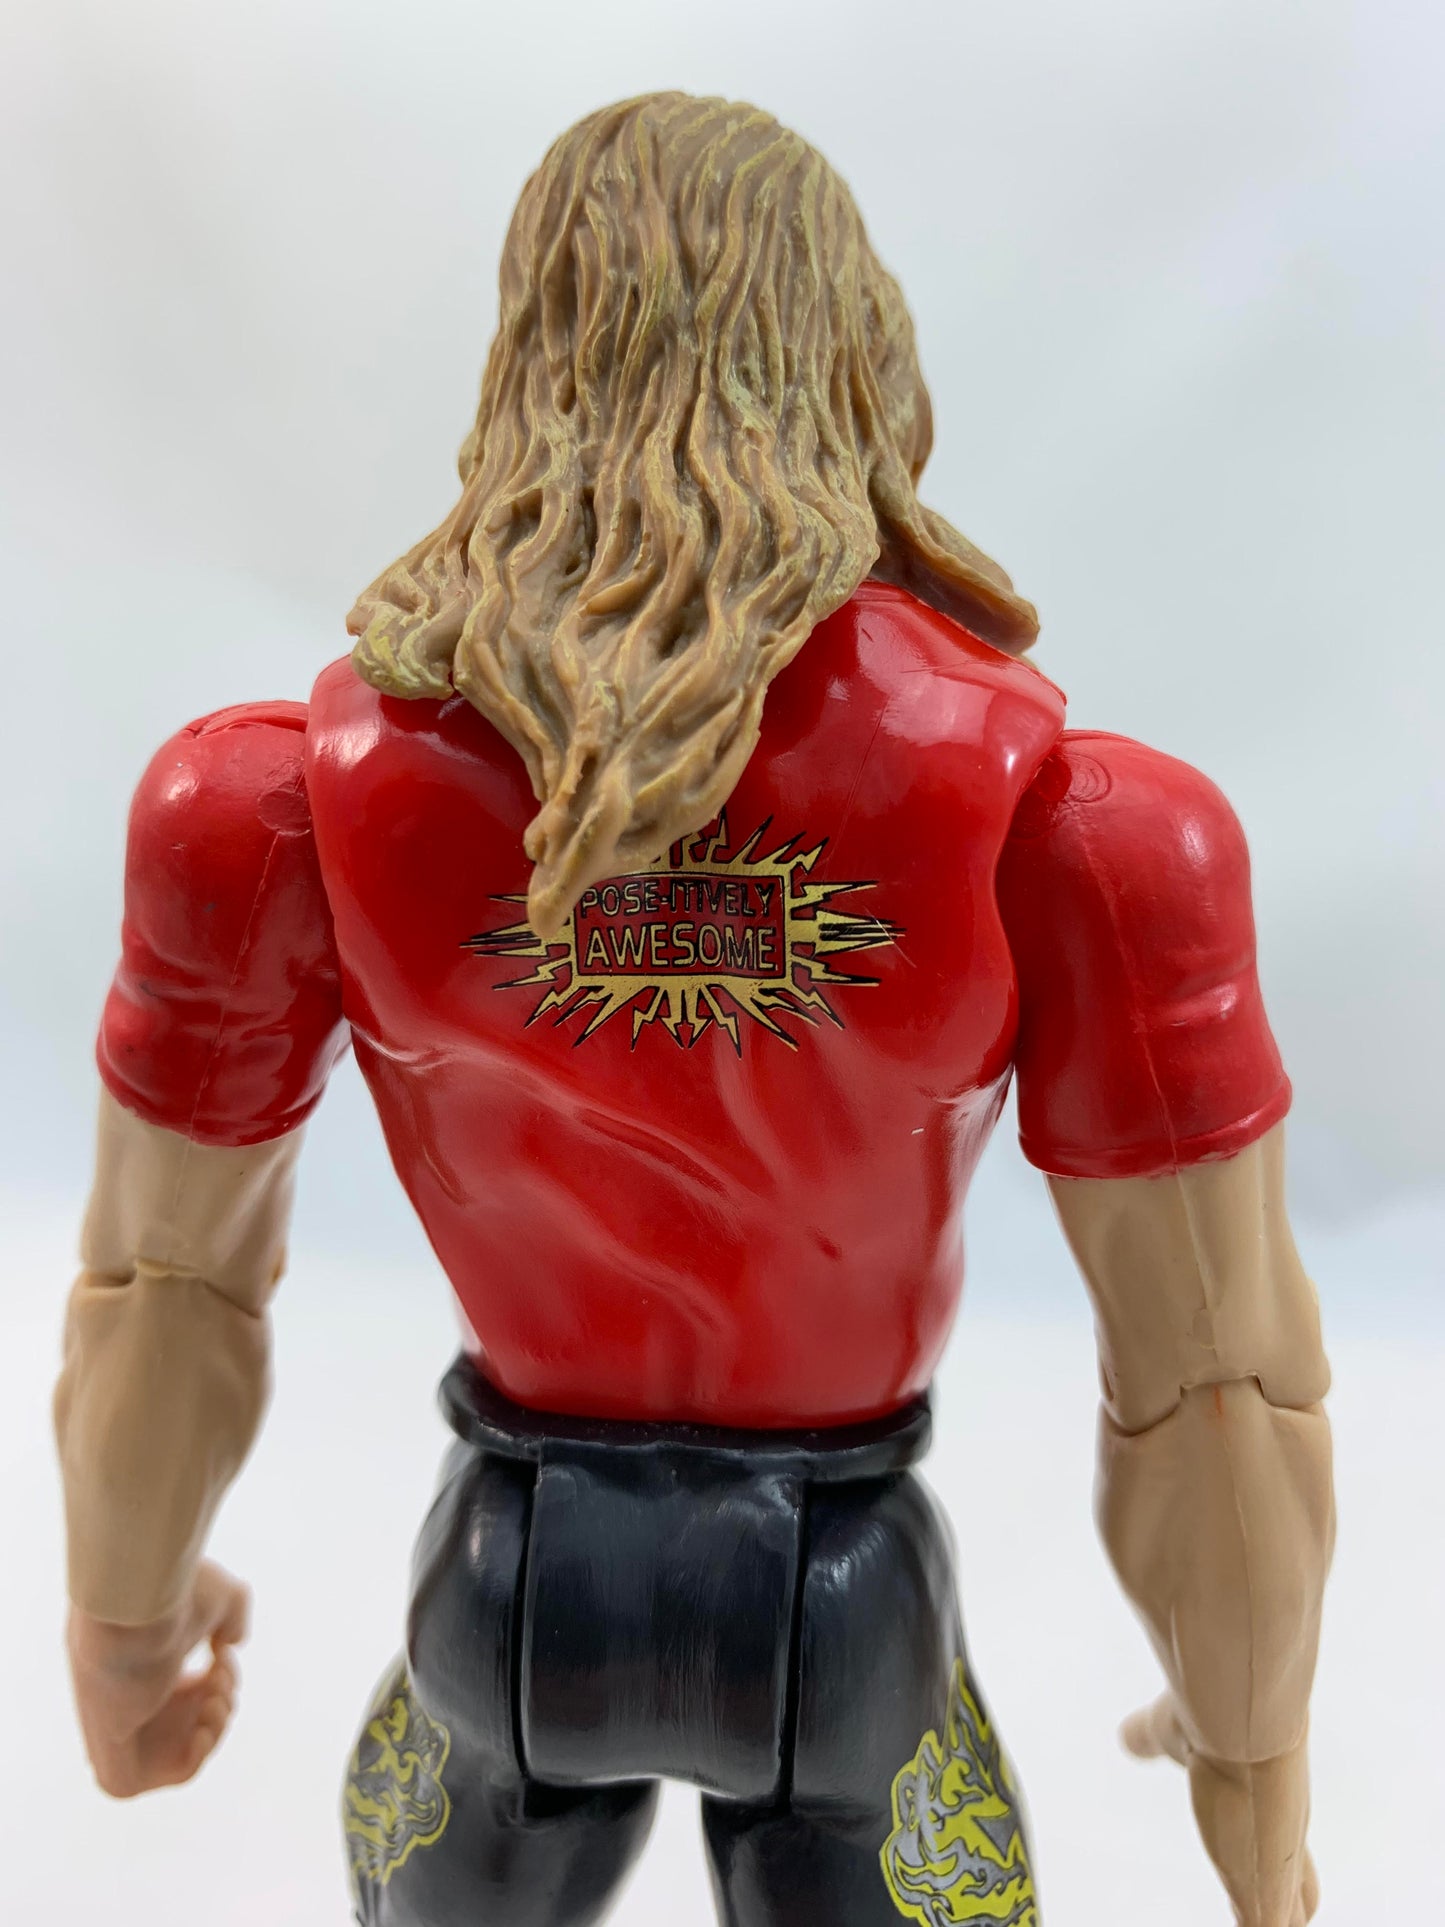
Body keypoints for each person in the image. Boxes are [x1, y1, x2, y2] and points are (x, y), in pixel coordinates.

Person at [55, 93, 1333, 1927]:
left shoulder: (273, 804)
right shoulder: (1082, 830)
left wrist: (125, 1624)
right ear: (859, 357)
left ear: (526, 355)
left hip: (507, 1591)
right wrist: (1249, 1756)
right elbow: (1215, 1385)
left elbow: (163, 1284)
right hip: (846, 1611)